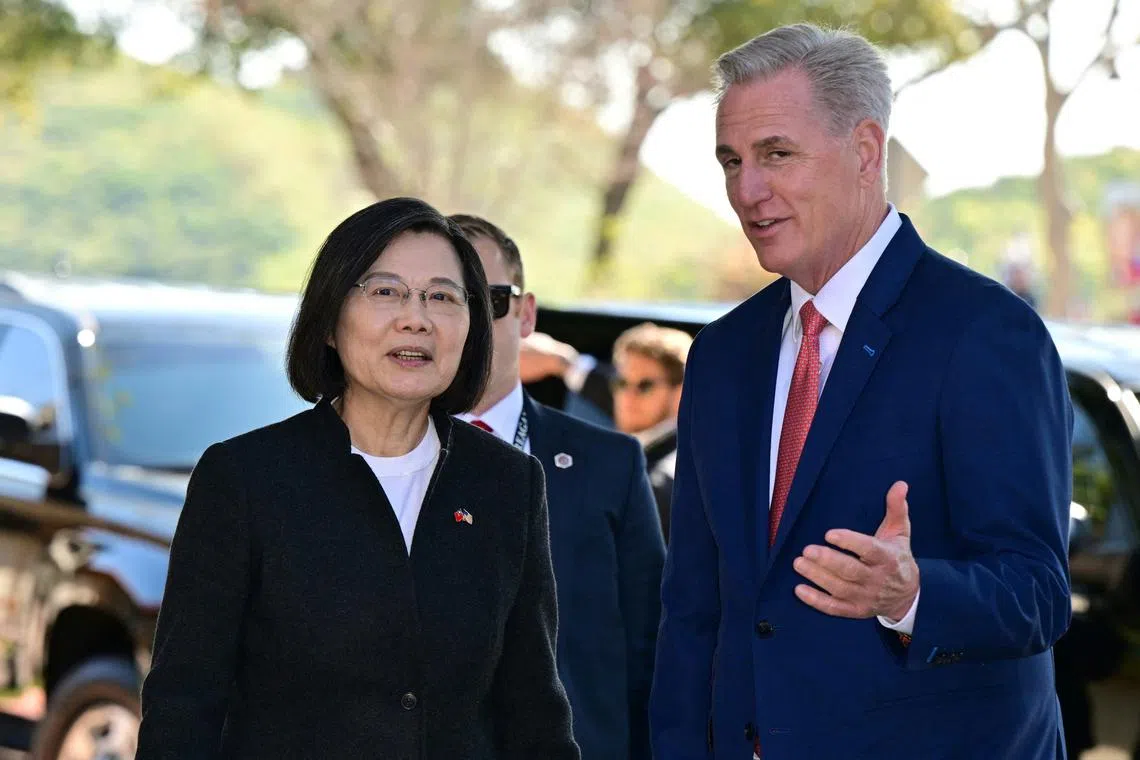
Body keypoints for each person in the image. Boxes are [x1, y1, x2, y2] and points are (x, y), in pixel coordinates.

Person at [650, 24, 1073, 760]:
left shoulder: (985, 333)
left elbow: (1036, 592)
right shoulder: (722, 354)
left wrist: (910, 595)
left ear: (866, 151)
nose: (747, 190)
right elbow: (695, 611)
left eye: (777, 154)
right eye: (731, 161)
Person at [136, 198, 580, 760]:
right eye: (386, 290)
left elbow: (534, 708)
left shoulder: (508, 485)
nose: (415, 317)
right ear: (328, 321)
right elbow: (184, 703)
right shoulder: (245, 480)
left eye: (442, 297)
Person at [449, 213, 665, 760]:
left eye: (490, 300)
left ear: (525, 314)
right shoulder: (372, 455)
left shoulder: (609, 464)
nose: (468, 322)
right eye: (446, 299)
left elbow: (652, 651)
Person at [610, 322, 692, 541]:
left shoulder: (663, 481)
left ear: (680, 391)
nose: (628, 396)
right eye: (621, 383)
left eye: (644, 386)